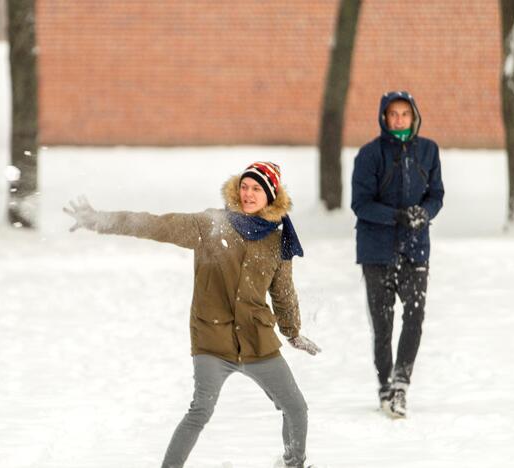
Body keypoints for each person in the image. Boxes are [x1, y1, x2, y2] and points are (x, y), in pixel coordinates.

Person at [64, 161, 320, 468]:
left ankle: (295, 464)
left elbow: (282, 291)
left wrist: (292, 331)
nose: (249, 194)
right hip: (213, 340)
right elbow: (154, 225)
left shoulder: (276, 240)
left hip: (257, 341)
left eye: (257, 189)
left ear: (271, 196)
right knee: (200, 410)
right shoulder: (210, 225)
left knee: (296, 408)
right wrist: (99, 220)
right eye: (245, 187)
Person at [350, 91, 444, 418]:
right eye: (394, 114)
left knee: (415, 318)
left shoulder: (429, 151)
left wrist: (425, 213)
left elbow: (437, 194)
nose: (400, 120)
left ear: (414, 117)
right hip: (376, 251)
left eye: (405, 114)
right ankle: (384, 386)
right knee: (383, 324)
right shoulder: (369, 155)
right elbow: (360, 204)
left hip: (416, 249)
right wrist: (396, 216)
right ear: (384, 118)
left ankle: (401, 384)